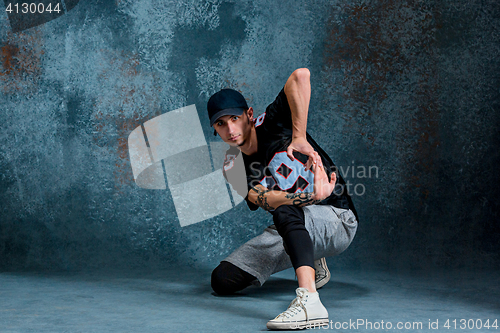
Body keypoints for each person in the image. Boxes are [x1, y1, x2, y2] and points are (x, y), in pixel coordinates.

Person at [207, 68, 359, 330]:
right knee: (222, 280)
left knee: (286, 212)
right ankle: (311, 255)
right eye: (221, 124)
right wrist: (309, 195)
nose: (230, 129)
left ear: (250, 115)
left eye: (235, 118)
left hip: (337, 217)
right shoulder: (232, 166)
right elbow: (265, 198)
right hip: (293, 223)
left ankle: (310, 303)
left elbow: (300, 76)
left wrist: (299, 136)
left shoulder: (273, 122)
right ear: (215, 130)